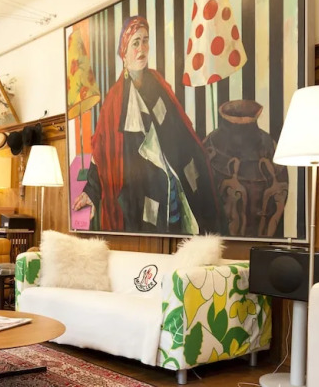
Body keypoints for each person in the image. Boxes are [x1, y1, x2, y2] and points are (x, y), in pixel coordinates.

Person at [72, 16, 221, 234]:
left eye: (145, 40)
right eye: (135, 43)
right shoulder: (115, 100)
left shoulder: (157, 82)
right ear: (124, 53)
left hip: (173, 179)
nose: (141, 48)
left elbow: (180, 129)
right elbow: (102, 151)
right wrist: (91, 191)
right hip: (141, 194)